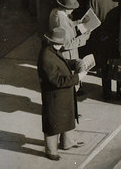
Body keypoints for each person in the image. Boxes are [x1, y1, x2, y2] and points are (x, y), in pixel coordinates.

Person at [38, 26, 90, 160]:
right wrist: (77, 78)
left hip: (62, 94)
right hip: (55, 95)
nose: (60, 45)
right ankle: (51, 151)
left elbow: (62, 64)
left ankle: (67, 142)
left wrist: (75, 63)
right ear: (51, 41)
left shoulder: (52, 51)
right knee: (53, 124)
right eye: (58, 43)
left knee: (66, 118)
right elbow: (56, 80)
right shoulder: (46, 57)